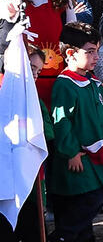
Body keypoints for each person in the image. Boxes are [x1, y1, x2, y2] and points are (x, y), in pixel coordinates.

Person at [48, 22, 103, 242]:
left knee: (87, 212)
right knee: (88, 200)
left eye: (97, 51)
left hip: (97, 156)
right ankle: (61, 237)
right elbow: (62, 121)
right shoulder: (66, 84)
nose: (96, 57)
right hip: (78, 158)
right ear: (70, 53)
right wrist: (72, 152)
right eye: (90, 52)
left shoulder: (93, 82)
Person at [0, 44, 54, 241]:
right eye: (32, 69)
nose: (36, 75)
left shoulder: (33, 101)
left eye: (39, 71)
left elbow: (46, 131)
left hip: (29, 175)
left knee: (32, 226)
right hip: (5, 176)